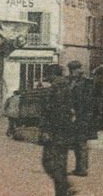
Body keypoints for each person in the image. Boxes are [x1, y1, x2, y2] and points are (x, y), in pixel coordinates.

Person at [38, 65, 75, 196]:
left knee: (48, 162)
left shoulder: (55, 87)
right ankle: (63, 192)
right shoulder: (68, 86)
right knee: (61, 164)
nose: (45, 77)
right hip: (65, 130)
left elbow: (52, 110)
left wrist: (46, 130)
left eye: (47, 73)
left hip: (55, 130)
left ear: (53, 74)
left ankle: (67, 186)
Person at [64, 60, 96, 177]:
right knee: (78, 142)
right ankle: (80, 168)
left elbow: (88, 100)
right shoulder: (71, 82)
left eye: (73, 70)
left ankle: (82, 169)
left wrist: (77, 112)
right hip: (75, 115)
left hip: (83, 116)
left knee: (81, 142)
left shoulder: (86, 82)